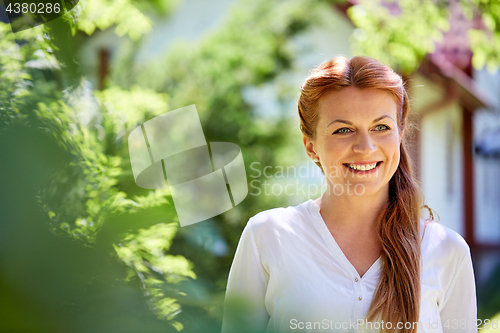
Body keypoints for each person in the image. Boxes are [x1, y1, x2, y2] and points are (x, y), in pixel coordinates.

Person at [221, 56, 476, 333]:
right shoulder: (268, 236)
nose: (365, 147)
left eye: (381, 127)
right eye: (343, 130)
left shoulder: (447, 251)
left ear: (400, 134)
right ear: (311, 147)